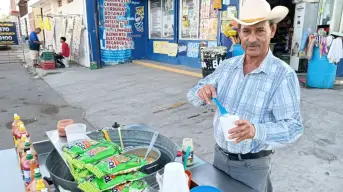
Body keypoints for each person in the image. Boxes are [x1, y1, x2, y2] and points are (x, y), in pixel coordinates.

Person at [187, 0, 304, 191]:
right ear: (239, 33)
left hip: (252, 166)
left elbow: (294, 127)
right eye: (246, 31)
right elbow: (192, 96)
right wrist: (203, 90)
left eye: (259, 31)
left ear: (272, 30)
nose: (252, 39)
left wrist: (255, 131)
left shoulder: (282, 75)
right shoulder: (227, 67)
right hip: (219, 157)